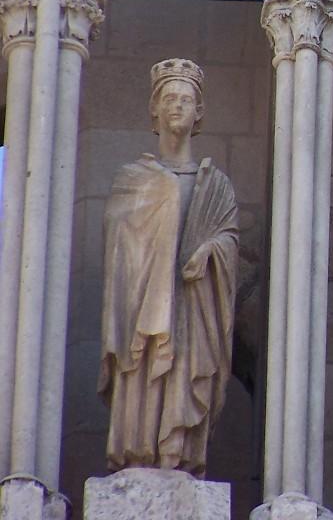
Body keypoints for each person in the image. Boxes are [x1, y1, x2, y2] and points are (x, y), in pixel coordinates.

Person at [99, 59, 239, 475]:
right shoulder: (133, 179)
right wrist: (150, 255)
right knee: (143, 370)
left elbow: (228, 237)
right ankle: (139, 452)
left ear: (199, 113)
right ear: (154, 111)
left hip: (194, 305)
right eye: (169, 98)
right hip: (145, 307)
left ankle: (179, 456)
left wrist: (209, 252)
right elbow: (118, 255)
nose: (178, 105)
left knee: (186, 375)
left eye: (186, 99)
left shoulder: (216, 183)